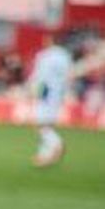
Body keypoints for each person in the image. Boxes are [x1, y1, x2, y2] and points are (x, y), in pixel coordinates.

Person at [29, 33, 74, 167]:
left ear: (50, 41)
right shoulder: (66, 56)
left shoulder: (44, 55)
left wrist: (33, 91)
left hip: (45, 91)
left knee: (40, 124)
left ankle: (56, 144)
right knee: (48, 123)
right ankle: (44, 156)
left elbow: (39, 75)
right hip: (58, 92)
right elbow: (68, 75)